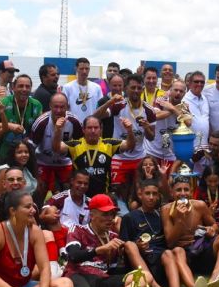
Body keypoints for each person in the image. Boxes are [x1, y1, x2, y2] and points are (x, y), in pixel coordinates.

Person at [119, 180, 195, 287]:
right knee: (130, 245)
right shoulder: (129, 217)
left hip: (162, 261)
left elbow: (171, 238)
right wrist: (138, 245)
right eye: (147, 193)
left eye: (154, 194)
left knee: (169, 253)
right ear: (140, 194)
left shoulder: (162, 214)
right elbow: (123, 247)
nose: (151, 197)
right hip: (141, 263)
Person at [161, 177, 219, 287]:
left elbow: (215, 225)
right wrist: (180, 220)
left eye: (186, 189)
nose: (182, 193)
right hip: (185, 257)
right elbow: (170, 242)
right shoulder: (166, 210)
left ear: (191, 191)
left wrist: (211, 229)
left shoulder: (200, 205)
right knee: (177, 251)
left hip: (203, 249)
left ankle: (215, 276)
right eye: (178, 190)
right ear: (172, 192)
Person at [94, 74, 156, 207]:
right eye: (133, 87)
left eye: (139, 88)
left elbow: (151, 137)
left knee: (139, 192)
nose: (136, 91)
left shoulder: (149, 111)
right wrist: (110, 102)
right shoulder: (118, 106)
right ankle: (121, 217)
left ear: (143, 89)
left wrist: (146, 127)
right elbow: (96, 116)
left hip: (139, 156)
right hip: (119, 156)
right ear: (126, 88)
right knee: (118, 192)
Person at [53, 116, 135, 197]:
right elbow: (56, 148)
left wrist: (129, 130)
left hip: (102, 196)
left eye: (96, 128)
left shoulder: (109, 144)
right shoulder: (75, 145)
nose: (93, 131)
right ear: (83, 130)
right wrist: (57, 130)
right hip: (80, 196)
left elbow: (130, 145)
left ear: (101, 129)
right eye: (89, 128)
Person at [31, 92, 83, 198]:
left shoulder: (74, 121)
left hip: (65, 162)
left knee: (69, 193)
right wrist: (35, 174)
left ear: (67, 107)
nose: (58, 110)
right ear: (50, 106)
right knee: (39, 192)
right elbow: (30, 148)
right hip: (43, 161)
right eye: (56, 107)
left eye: (62, 107)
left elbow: (81, 147)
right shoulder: (41, 122)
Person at [0, 74, 43, 164]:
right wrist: (9, 126)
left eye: (27, 86)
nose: (24, 89)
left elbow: (40, 129)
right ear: (13, 87)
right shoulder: (3, 102)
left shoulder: (37, 105)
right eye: (20, 86)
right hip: (5, 155)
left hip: (28, 156)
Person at [143, 80, 192, 171]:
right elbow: (155, 116)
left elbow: (188, 123)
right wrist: (174, 110)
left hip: (170, 154)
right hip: (152, 151)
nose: (178, 93)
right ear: (170, 90)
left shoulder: (184, 106)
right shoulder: (161, 100)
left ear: (184, 93)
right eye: (176, 90)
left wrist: (173, 108)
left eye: (181, 91)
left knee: (168, 182)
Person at [63, 57, 104, 122]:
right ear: (76, 69)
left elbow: (101, 107)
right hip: (74, 125)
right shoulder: (67, 87)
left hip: (91, 126)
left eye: (87, 69)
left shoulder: (97, 87)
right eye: (81, 69)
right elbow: (65, 108)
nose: (84, 71)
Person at [183, 71, 210, 148]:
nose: (199, 84)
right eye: (196, 82)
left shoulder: (205, 99)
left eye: (202, 82)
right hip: (190, 146)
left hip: (204, 146)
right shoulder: (184, 99)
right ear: (190, 83)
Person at [94, 73, 125, 139]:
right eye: (115, 85)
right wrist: (110, 102)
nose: (118, 88)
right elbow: (95, 118)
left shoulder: (128, 99)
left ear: (123, 85)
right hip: (107, 140)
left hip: (125, 139)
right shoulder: (102, 101)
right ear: (109, 85)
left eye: (120, 85)